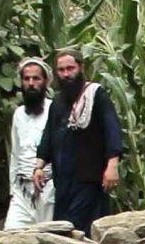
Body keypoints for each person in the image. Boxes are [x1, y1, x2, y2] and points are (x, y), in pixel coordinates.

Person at [46, 45, 125, 228]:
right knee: (63, 227)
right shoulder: (58, 101)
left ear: (81, 68)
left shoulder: (96, 95)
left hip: (89, 178)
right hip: (64, 181)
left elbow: (111, 128)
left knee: (84, 226)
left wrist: (112, 165)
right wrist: (40, 164)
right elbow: (49, 135)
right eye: (61, 70)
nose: (66, 74)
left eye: (70, 69)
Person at [2, 57, 55, 231]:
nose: (31, 83)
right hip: (21, 190)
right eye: (27, 79)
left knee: (46, 238)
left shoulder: (55, 110)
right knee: (10, 235)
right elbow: (15, 154)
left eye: (36, 79)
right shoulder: (18, 114)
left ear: (45, 82)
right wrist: (13, 190)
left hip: (48, 187)